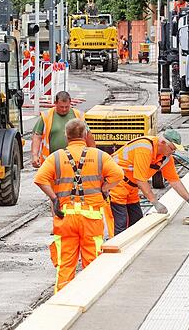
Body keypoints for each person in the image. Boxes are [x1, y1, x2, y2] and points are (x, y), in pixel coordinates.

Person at [34, 119, 123, 292]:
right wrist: (104, 189)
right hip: (91, 218)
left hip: (65, 217)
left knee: (65, 264)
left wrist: (54, 198)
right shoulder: (99, 156)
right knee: (93, 263)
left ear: (66, 136)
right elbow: (117, 175)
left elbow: (40, 179)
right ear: (84, 135)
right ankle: (89, 298)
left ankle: (62, 303)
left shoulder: (57, 157)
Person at [108, 130, 189, 235]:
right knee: (120, 224)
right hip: (115, 184)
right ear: (163, 143)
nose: (173, 152)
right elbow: (141, 180)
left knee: (137, 222)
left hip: (132, 187)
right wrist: (156, 203)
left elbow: (174, 181)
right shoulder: (144, 149)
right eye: (172, 148)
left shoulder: (166, 158)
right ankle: (115, 248)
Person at [31, 91, 95, 168]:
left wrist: (94, 154)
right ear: (55, 103)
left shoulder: (78, 115)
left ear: (70, 103)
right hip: (52, 161)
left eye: (67, 107)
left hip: (75, 161)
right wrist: (35, 155)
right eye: (61, 107)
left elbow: (88, 135)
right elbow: (37, 136)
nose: (64, 109)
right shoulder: (46, 116)